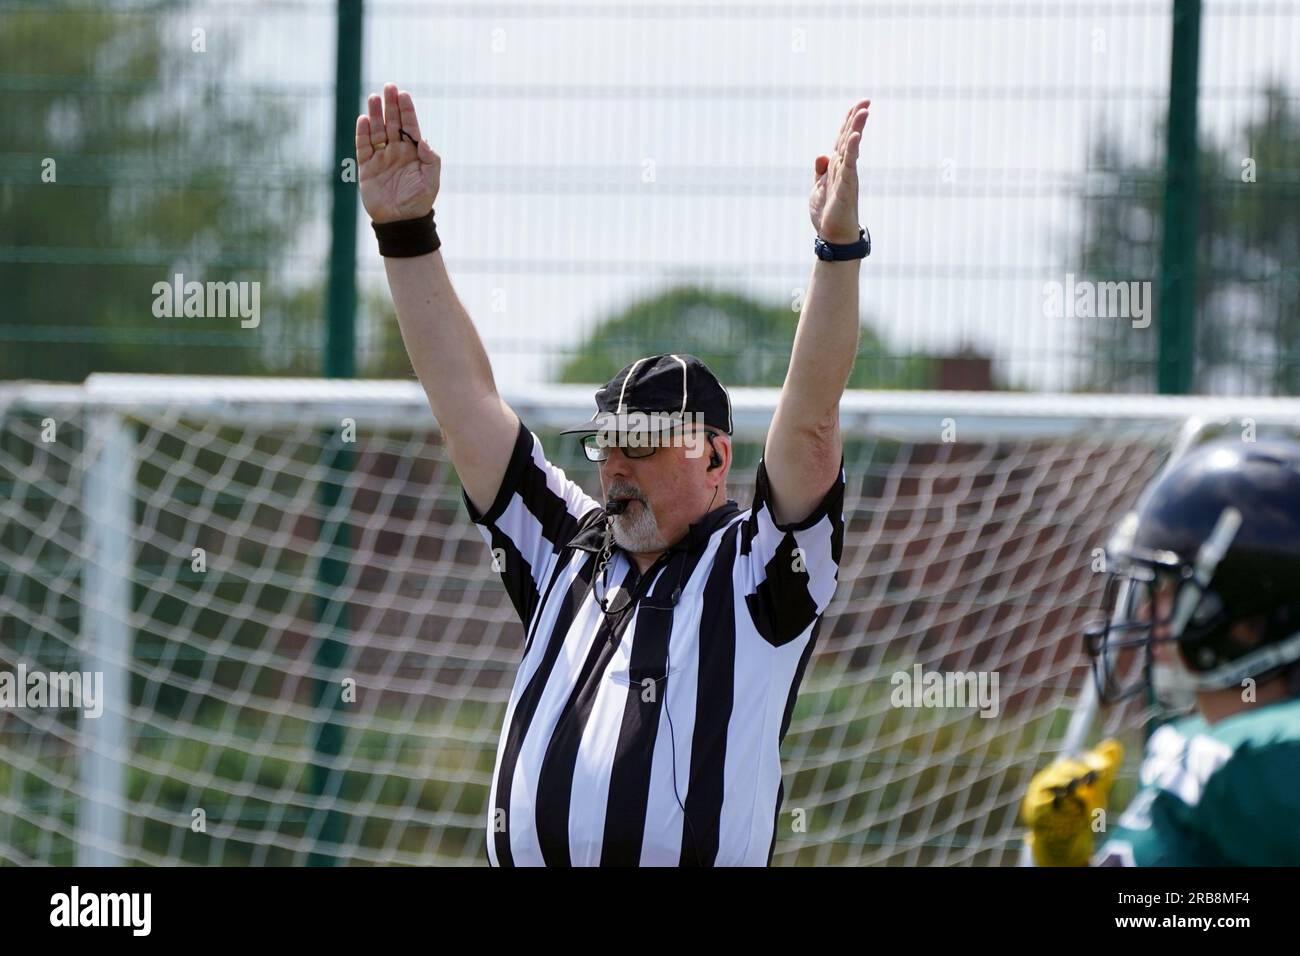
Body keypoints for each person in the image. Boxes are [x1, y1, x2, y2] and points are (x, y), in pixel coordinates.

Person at [355, 83, 871, 865]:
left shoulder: (757, 570)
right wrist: (404, 228)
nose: (617, 464)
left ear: (714, 458)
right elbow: (464, 401)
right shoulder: (565, 545)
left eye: (644, 443)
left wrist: (836, 251)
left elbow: (810, 422)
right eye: (608, 445)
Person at [1022, 438, 1300, 866]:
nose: (1148, 611)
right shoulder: (1198, 744)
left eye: (1169, 590)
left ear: (1248, 621)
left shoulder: (1267, 758)